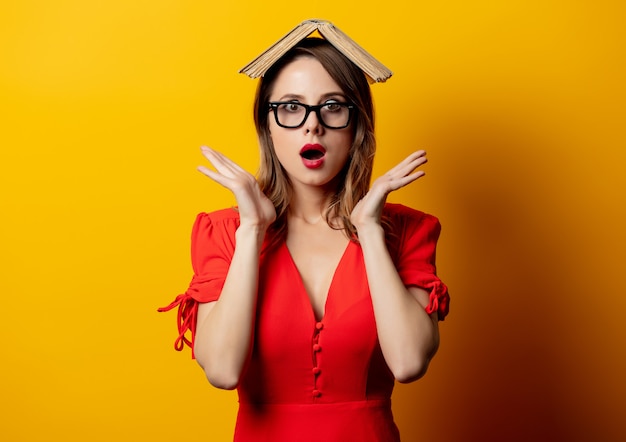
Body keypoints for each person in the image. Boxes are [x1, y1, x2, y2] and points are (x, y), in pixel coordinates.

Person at [159, 24, 449, 442]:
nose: (313, 126)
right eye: (291, 108)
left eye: (333, 106)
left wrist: (368, 230)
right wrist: (253, 230)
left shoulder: (407, 231)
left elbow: (408, 363)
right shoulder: (224, 232)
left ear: (357, 124)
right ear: (267, 126)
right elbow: (221, 371)